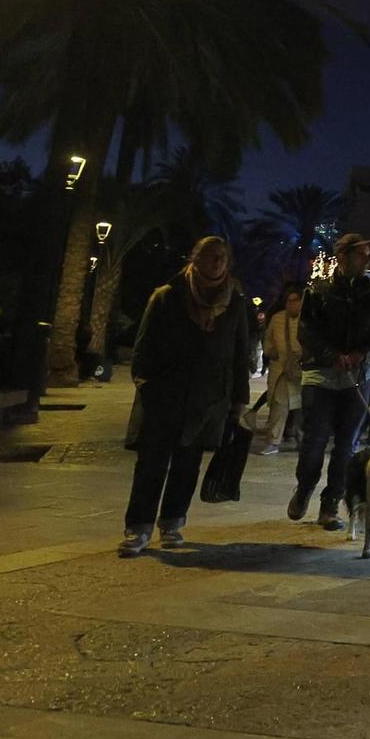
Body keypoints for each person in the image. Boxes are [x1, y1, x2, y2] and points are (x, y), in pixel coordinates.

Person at [119, 236, 255, 556]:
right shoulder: (167, 296)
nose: (218, 262)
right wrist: (148, 387)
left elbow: (239, 354)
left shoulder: (234, 302)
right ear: (195, 259)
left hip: (207, 401)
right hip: (164, 395)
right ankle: (138, 527)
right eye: (211, 256)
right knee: (151, 464)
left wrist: (238, 400)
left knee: (187, 464)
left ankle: (172, 523)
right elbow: (144, 348)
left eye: (223, 257)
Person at [290, 233, 370, 533]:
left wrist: (363, 354)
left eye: (368, 254)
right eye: (361, 254)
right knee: (314, 440)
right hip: (321, 376)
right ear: (343, 257)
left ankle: (331, 502)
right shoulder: (318, 291)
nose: (367, 260)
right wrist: (330, 355)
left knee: (347, 445)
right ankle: (305, 487)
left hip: (357, 378)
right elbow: (306, 330)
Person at [256, 284, 305, 455]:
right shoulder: (278, 318)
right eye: (289, 301)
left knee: (301, 408)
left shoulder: (308, 319)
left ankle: (302, 440)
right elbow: (268, 338)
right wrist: (270, 350)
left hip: (302, 371)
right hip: (280, 369)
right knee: (279, 405)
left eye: (295, 301)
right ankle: (273, 441)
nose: (291, 304)